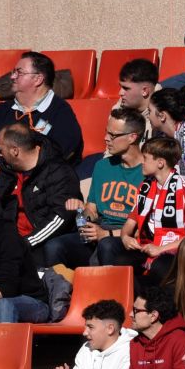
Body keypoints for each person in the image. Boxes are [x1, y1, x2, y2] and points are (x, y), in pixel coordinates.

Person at [0, 121, 85, 269]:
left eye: (1, 150)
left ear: (15, 151)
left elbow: (60, 218)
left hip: (40, 240)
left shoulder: (58, 172)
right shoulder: (8, 171)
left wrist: (25, 243)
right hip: (11, 240)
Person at [0, 50, 85, 174]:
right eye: (14, 72)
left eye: (19, 72)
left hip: (42, 185)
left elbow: (60, 153)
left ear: (38, 79)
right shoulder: (2, 110)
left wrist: (18, 176)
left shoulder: (60, 112)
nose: (12, 77)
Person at [96, 136, 185, 271]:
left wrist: (160, 249)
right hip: (145, 247)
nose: (142, 163)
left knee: (161, 265)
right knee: (109, 247)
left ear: (160, 163)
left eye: (145, 158)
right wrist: (125, 237)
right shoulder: (145, 187)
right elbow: (130, 223)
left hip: (173, 250)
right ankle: (116, 290)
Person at [78, 106, 145, 264]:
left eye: (113, 135)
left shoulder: (149, 172)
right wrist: (85, 218)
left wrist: (106, 235)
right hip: (101, 229)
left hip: (128, 237)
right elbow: (92, 208)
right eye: (106, 132)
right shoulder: (102, 166)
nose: (106, 138)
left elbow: (145, 229)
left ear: (132, 137)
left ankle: (108, 288)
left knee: (107, 245)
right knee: (55, 246)